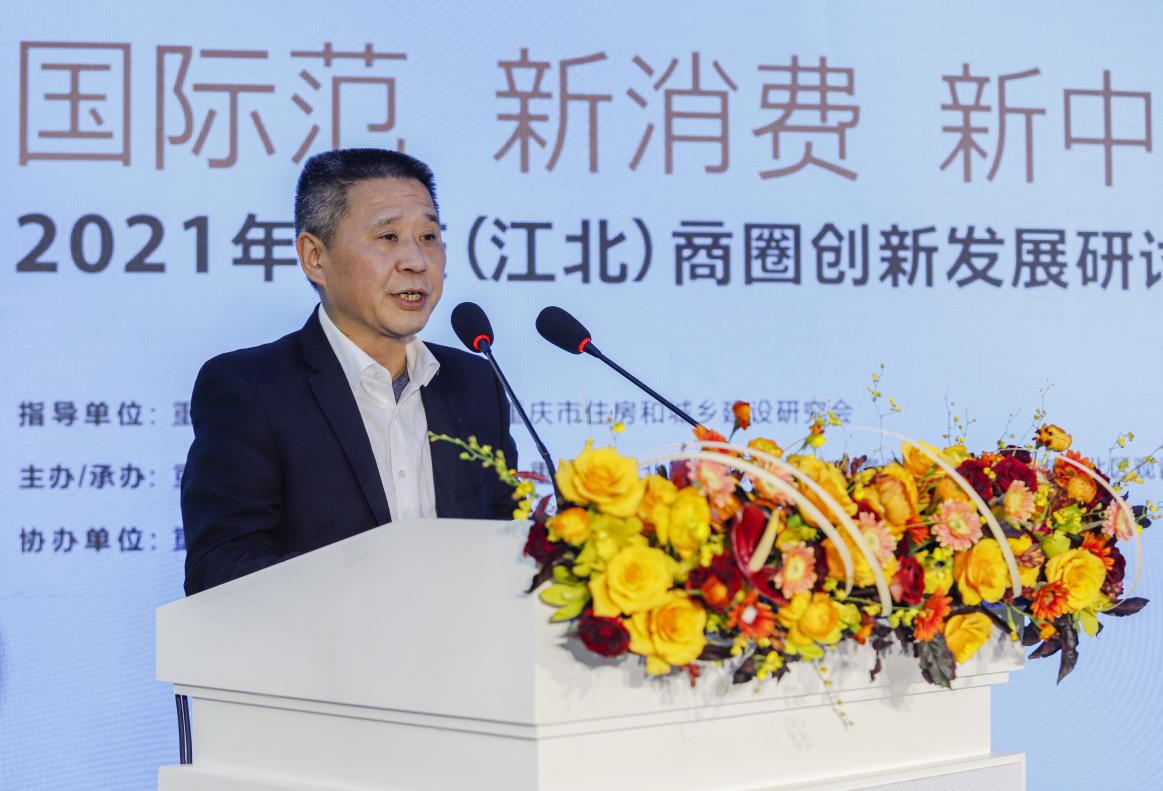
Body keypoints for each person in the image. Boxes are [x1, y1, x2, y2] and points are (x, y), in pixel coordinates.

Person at [180, 148, 518, 595]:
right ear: (315, 257)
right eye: (388, 236)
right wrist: (372, 587)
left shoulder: (474, 384)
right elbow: (219, 569)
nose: (417, 261)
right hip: (318, 641)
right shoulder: (250, 389)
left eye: (429, 236)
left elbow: (506, 537)